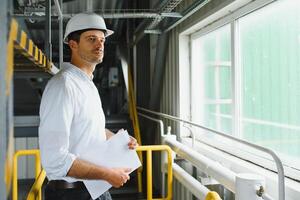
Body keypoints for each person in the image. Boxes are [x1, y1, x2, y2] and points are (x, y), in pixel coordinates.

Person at [38, 13, 138, 200]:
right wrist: (106, 174)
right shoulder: (64, 85)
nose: (99, 45)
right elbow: (54, 159)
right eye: (91, 39)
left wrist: (119, 139)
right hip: (71, 193)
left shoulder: (86, 84)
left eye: (101, 40)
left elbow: (89, 129)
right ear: (73, 44)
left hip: (92, 189)